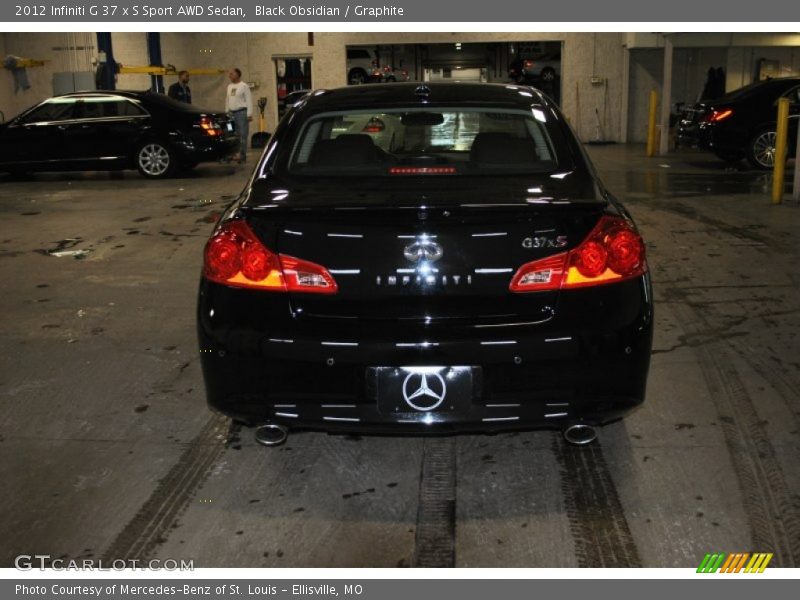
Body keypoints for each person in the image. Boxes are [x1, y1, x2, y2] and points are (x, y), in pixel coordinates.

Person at [225, 68, 252, 163]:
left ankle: (242, 155)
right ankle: (234, 154)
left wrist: (249, 114)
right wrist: (226, 112)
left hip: (241, 113)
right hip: (231, 114)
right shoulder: (229, 86)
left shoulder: (244, 86)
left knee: (242, 135)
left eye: (231, 74)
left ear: (237, 74)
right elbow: (227, 100)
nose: (229, 75)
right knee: (231, 133)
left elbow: (249, 100)